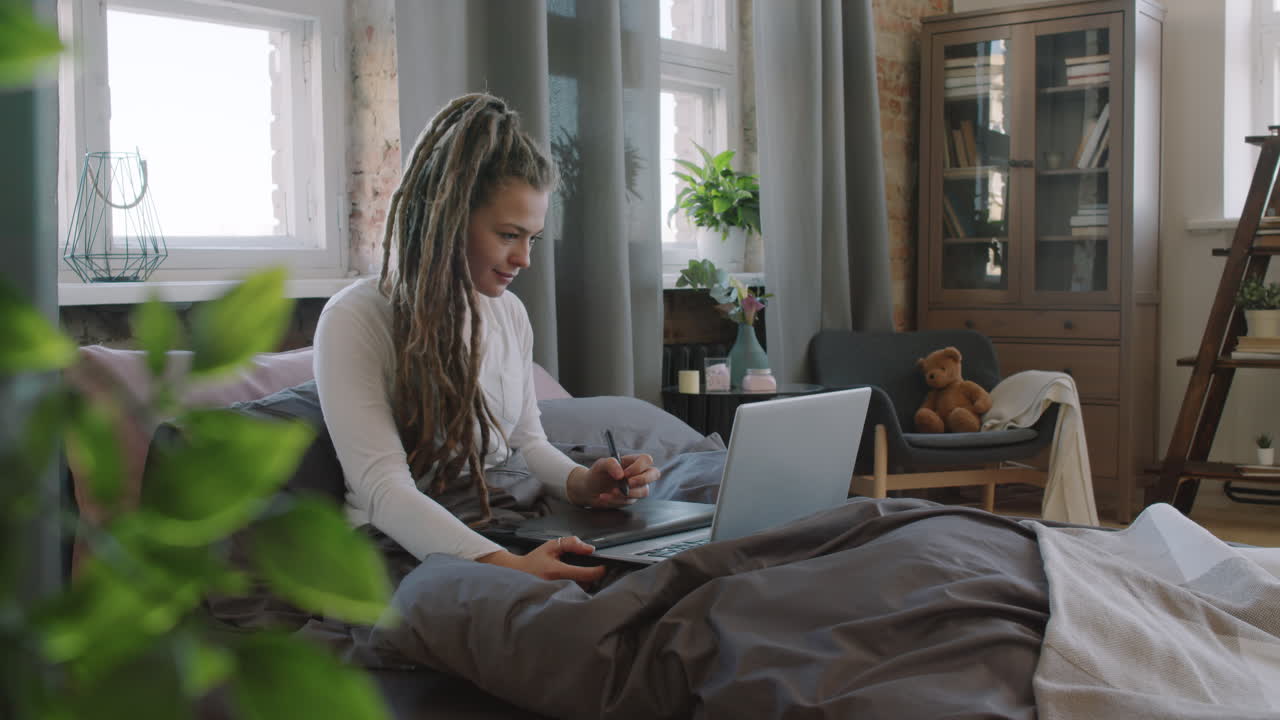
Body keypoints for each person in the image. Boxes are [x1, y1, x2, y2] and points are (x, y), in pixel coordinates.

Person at [314, 93, 658, 587]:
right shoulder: (356, 318)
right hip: (393, 544)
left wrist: (585, 485)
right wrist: (508, 569)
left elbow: (527, 443)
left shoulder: (509, 314)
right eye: (508, 235)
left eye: (532, 238)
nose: (524, 259)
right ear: (449, 218)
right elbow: (384, 489)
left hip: (500, 517)